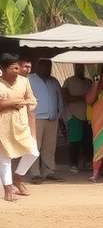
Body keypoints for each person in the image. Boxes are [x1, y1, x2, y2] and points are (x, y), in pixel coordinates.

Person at [0, 53, 38, 202]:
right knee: (4, 157)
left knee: (33, 152)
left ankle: (18, 177)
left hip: (21, 124)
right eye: (13, 68)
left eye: (17, 67)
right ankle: (8, 188)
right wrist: (11, 103)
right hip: (3, 125)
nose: (17, 70)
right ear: (3, 69)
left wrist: (26, 104)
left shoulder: (24, 81)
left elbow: (31, 100)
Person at [28, 59, 63, 184]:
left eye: (49, 66)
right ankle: (35, 173)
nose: (47, 69)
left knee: (49, 147)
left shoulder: (54, 81)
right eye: (44, 66)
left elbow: (59, 98)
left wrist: (59, 114)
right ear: (38, 67)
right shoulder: (29, 79)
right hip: (36, 118)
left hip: (52, 118)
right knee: (34, 146)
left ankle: (48, 172)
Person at [62, 64, 92, 173]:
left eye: (82, 67)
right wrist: (83, 97)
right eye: (78, 67)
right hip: (73, 115)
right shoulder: (68, 81)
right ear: (75, 68)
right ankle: (73, 164)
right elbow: (66, 97)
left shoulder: (89, 82)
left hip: (88, 116)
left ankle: (87, 162)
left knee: (87, 141)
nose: (80, 69)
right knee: (75, 141)